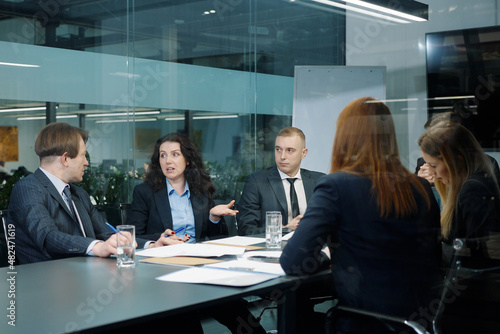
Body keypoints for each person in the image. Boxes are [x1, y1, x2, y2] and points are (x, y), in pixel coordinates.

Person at [280, 97, 442, 333]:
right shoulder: (420, 187)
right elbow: (435, 258)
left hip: (362, 322)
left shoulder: (336, 186)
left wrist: (327, 258)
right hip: (416, 322)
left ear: (345, 137)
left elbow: (293, 262)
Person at [128, 133, 267, 334]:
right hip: (164, 268)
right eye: (163, 155)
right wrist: (161, 240)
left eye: (175, 154)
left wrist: (214, 218)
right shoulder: (145, 192)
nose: (168, 160)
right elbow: (133, 236)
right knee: (188, 318)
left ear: (187, 158)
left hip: (199, 264)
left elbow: (219, 239)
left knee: (236, 311)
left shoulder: (201, 191)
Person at [7, 123, 171, 264]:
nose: (86, 162)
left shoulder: (78, 194)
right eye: (83, 155)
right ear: (65, 159)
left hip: (86, 273)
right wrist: (97, 247)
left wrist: (151, 245)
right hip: (48, 282)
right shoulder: (28, 188)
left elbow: (107, 233)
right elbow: (48, 237)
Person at [418, 121, 500, 255]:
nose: (431, 172)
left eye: (433, 165)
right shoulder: (469, 185)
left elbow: (476, 253)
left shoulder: (473, 191)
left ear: (457, 161)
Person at [237, 126, 325, 235]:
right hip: (272, 249)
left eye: (290, 150)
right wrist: (285, 229)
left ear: (303, 153)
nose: (282, 156)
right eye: (278, 149)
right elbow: (246, 229)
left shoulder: (319, 181)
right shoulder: (256, 182)